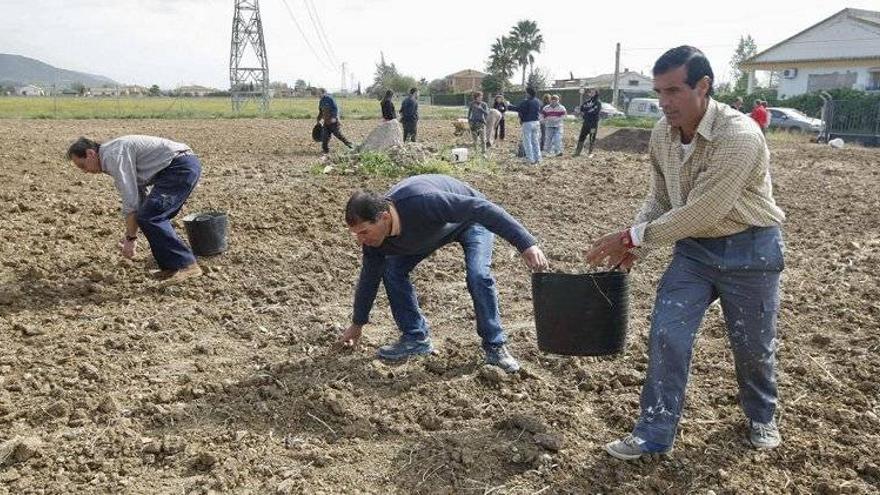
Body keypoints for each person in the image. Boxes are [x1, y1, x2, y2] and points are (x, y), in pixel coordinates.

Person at [584, 46, 786, 460]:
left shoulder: (740, 136)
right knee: (667, 333)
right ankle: (654, 431)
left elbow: (706, 209)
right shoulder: (663, 132)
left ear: (704, 86)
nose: (664, 102)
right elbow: (661, 197)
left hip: (750, 250)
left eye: (674, 91)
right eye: (659, 92)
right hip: (694, 253)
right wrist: (634, 242)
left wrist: (635, 237)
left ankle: (762, 415)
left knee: (751, 344)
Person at [337, 174, 549, 372]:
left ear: (384, 217)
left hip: (470, 221)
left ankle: (495, 346)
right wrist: (357, 324)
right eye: (356, 234)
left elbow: (482, 208)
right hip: (432, 232)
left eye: (364, 231)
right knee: (392, 270)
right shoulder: (374, 242)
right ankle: (415, 337)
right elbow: (368, 279)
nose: (360, 240)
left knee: (478, 275)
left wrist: (526, 244)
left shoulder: (423, 202)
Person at [66, 135, 204, 283]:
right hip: (176, 167)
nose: (84, 172)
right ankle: (171, 267)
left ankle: (187, 265)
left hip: (179, 167)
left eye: (82, 166)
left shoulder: (112, 156)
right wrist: (130, 235)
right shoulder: (112, 153)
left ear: (90, 154)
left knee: (151, 216)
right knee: (148, 215)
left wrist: (130, 239)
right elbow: (138, 197)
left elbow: (130, 200)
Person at [507, 87, 542, 165]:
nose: (525, 94)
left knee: (527, 142)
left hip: (528, 123)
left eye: (526, 92)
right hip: (536, 122)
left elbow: (518, 109)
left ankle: (530, 159)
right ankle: (538, 158)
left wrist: (508, 105)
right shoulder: (538, 101)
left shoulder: (526, 102)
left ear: (528, 93)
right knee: (535, 141)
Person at [317, 88, 353, 154]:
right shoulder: (321, 101)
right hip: (326, 122)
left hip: (333, 121)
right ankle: (325, 150)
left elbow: (335, 108)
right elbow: (321, 111)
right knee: (325, 136)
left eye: (319, 93)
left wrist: (334, 117)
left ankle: (350, 145)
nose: (318, 94)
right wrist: (318, 119)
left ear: (324, 93)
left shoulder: (330, 99)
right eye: (318, 93)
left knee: (338, 135)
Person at [575, 88, 601, 157]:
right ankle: (578, 152)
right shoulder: (586, 102)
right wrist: (586, 111)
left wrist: (586, 112)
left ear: (596, 93)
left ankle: (590, 153)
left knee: (592, 137)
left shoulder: (598, 103)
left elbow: (594, 111)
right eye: (591, 92)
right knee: (582, 136)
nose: (591, 93)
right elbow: (581, 109)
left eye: (593, 92)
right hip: (585, 123)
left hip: (593, 124)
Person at [467, 91, 489, 157]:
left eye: (481, 96)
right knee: (475, 139)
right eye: (479, 97)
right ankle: (475, 152)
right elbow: (469, 112)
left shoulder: (484, 104)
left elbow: (487, 113)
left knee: (483, 139)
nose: (480, 98)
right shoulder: (472, 104)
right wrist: (469, 120)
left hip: (481, 123)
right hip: (473, 123)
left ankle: (483, 153)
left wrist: (480, 108)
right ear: (475, 97)